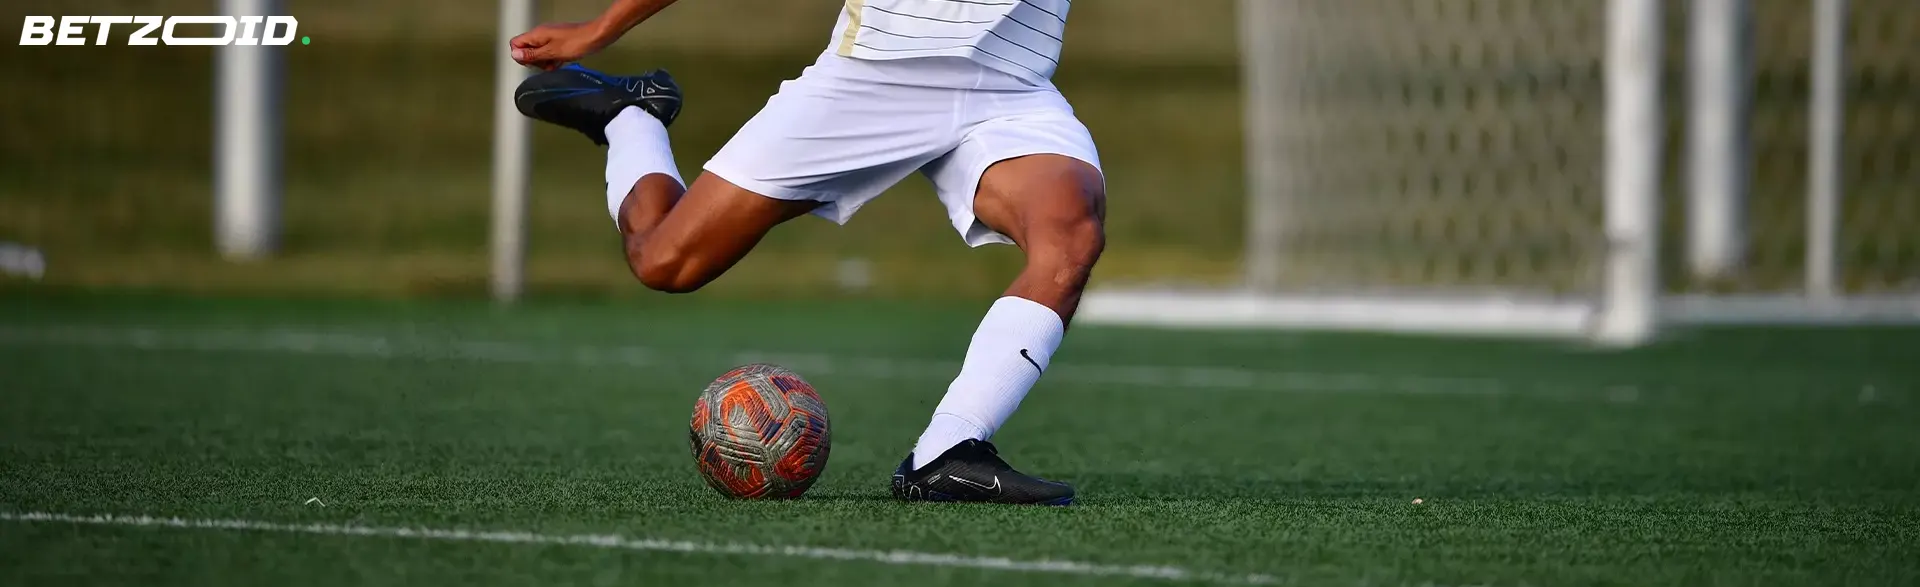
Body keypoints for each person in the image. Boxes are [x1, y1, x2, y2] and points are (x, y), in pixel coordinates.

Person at [510, 0, 1100, 506]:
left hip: (1012, 89)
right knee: (665, 262)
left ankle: (947, 450)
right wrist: (601, 28)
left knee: (1071, 234)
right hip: (874, 76)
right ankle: (632, 116)